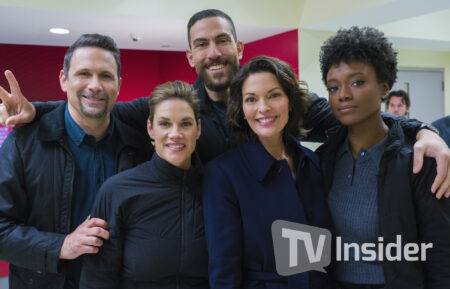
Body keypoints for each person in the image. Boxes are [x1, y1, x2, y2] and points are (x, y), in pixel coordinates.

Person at [0, 9, 449, 197]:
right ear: (190, 56)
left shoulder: (281, 98)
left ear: (238, 47)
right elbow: (99, 107)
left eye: (221, 41)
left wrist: (421, 129)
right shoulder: (176, 106)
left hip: (280, 230)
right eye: (202, 44)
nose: (213, 51)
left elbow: (352, 114)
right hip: (208, 238)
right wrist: (38, 110)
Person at [0, 34, 152, 289]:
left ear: (118, 84)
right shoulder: (24, 144)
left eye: (105, 76)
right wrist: (62, 245)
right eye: (83, 74)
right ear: (63, 80)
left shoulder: (141, 148)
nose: (95, 85)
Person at [317, 26, 450, 289]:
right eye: (333, 87)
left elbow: (441, 256)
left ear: (384, 87)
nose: (343, 94)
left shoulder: (419, 163)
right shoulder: (324, 159)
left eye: (357, 82)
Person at [203, 56, 334, 289]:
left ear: (290, 101)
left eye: (274, 95)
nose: (263, 108)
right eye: (251, 99)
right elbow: (224, 270)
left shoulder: (311, 162)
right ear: (242, 109)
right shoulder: (223, 173)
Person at [79, 81, 208, 289]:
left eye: (186, 123)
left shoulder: (217, 188)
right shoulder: (117, 191)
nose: (175, 133)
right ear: (150, 128)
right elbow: (97, 279)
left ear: (198, 129)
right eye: (165, 123)